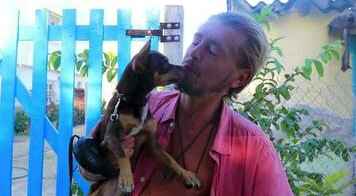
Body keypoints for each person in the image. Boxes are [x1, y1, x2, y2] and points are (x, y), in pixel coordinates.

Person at [80, 11, 293, 196]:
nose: (195, 53)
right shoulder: (144, 104)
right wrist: (105, 164)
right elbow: (88, 169)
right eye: (196, 41)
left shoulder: (254, 149)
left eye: (212, 50)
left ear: (240, 78)